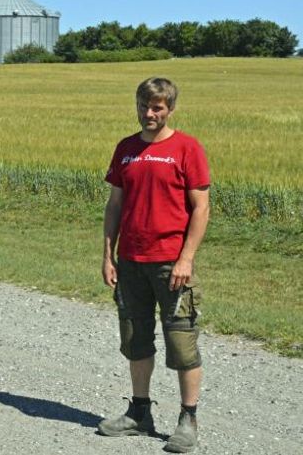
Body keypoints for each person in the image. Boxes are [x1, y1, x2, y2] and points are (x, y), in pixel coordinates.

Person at [98, 77, 210, 453]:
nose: (150, 113)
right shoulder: (126, 149)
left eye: (158, 107)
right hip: (131, 262)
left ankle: (187, 419)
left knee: (182, 343)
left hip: (171, 265)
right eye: (145, 106)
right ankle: (139, 413)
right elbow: (114, 206)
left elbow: (201, 208)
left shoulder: (186, 148)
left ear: (170, 109)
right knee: (135, 338)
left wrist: (186, 258)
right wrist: (107, 254)